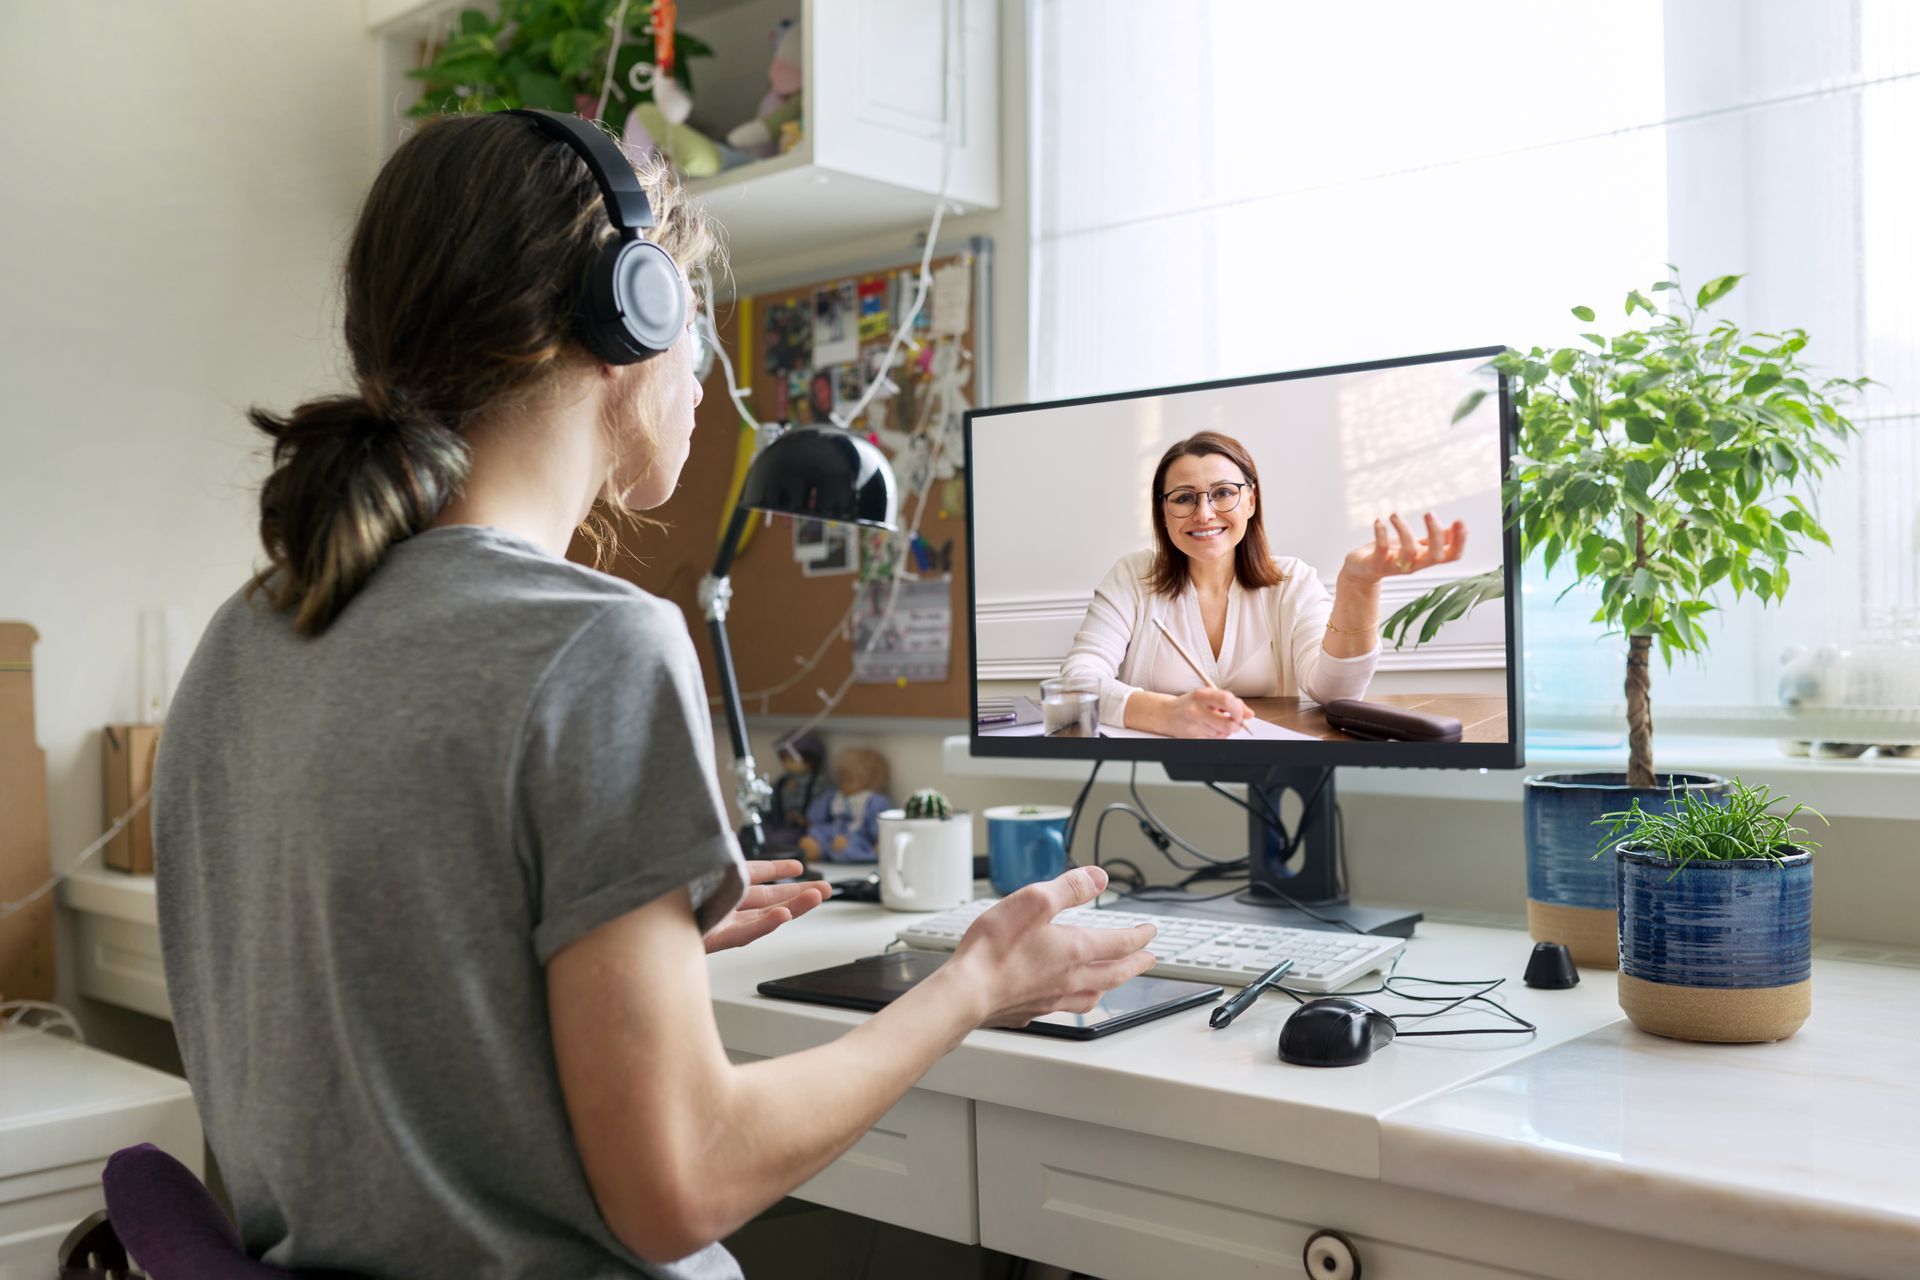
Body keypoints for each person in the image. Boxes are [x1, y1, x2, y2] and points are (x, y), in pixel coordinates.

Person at [150, 112, 1155, 1280]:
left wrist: (592, 936)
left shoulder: (249, 635)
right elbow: (686, 1181)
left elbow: (380, 985)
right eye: (700, 335)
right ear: (632, 316)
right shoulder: (595, 645)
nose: (700, 382)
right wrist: (973, 981)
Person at [1062, 431, 1467, 739]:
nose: (1203, 513)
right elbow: (1076, 682)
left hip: (1270, 774)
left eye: (1223, 493)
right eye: (1184, 498)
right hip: (1148, 775)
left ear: (1251, 502)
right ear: (1162, 511)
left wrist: (1358, 586)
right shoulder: (1132, 577)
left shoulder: (1294, 582)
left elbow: (1333, 691)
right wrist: (1167, 714)